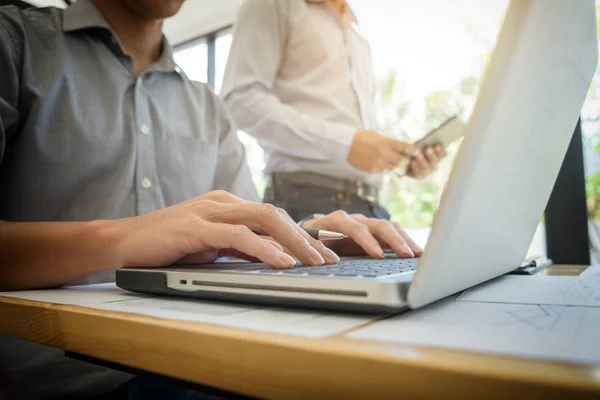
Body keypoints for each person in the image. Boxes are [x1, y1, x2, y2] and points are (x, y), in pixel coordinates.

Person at [0, 0, 421, 399]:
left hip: (195, 367)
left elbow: (249, 230)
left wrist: (315, 241)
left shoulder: (206, 105)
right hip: (53, 380)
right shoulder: (15, 43)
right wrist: (123, 239)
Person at [221, 0, 448, 222]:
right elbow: (240, 100)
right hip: (306, 203)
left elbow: (359, 134)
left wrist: (399, 160)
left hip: (372, 207)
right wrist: (345, 144)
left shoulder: (357, 37)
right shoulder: (272, 5)